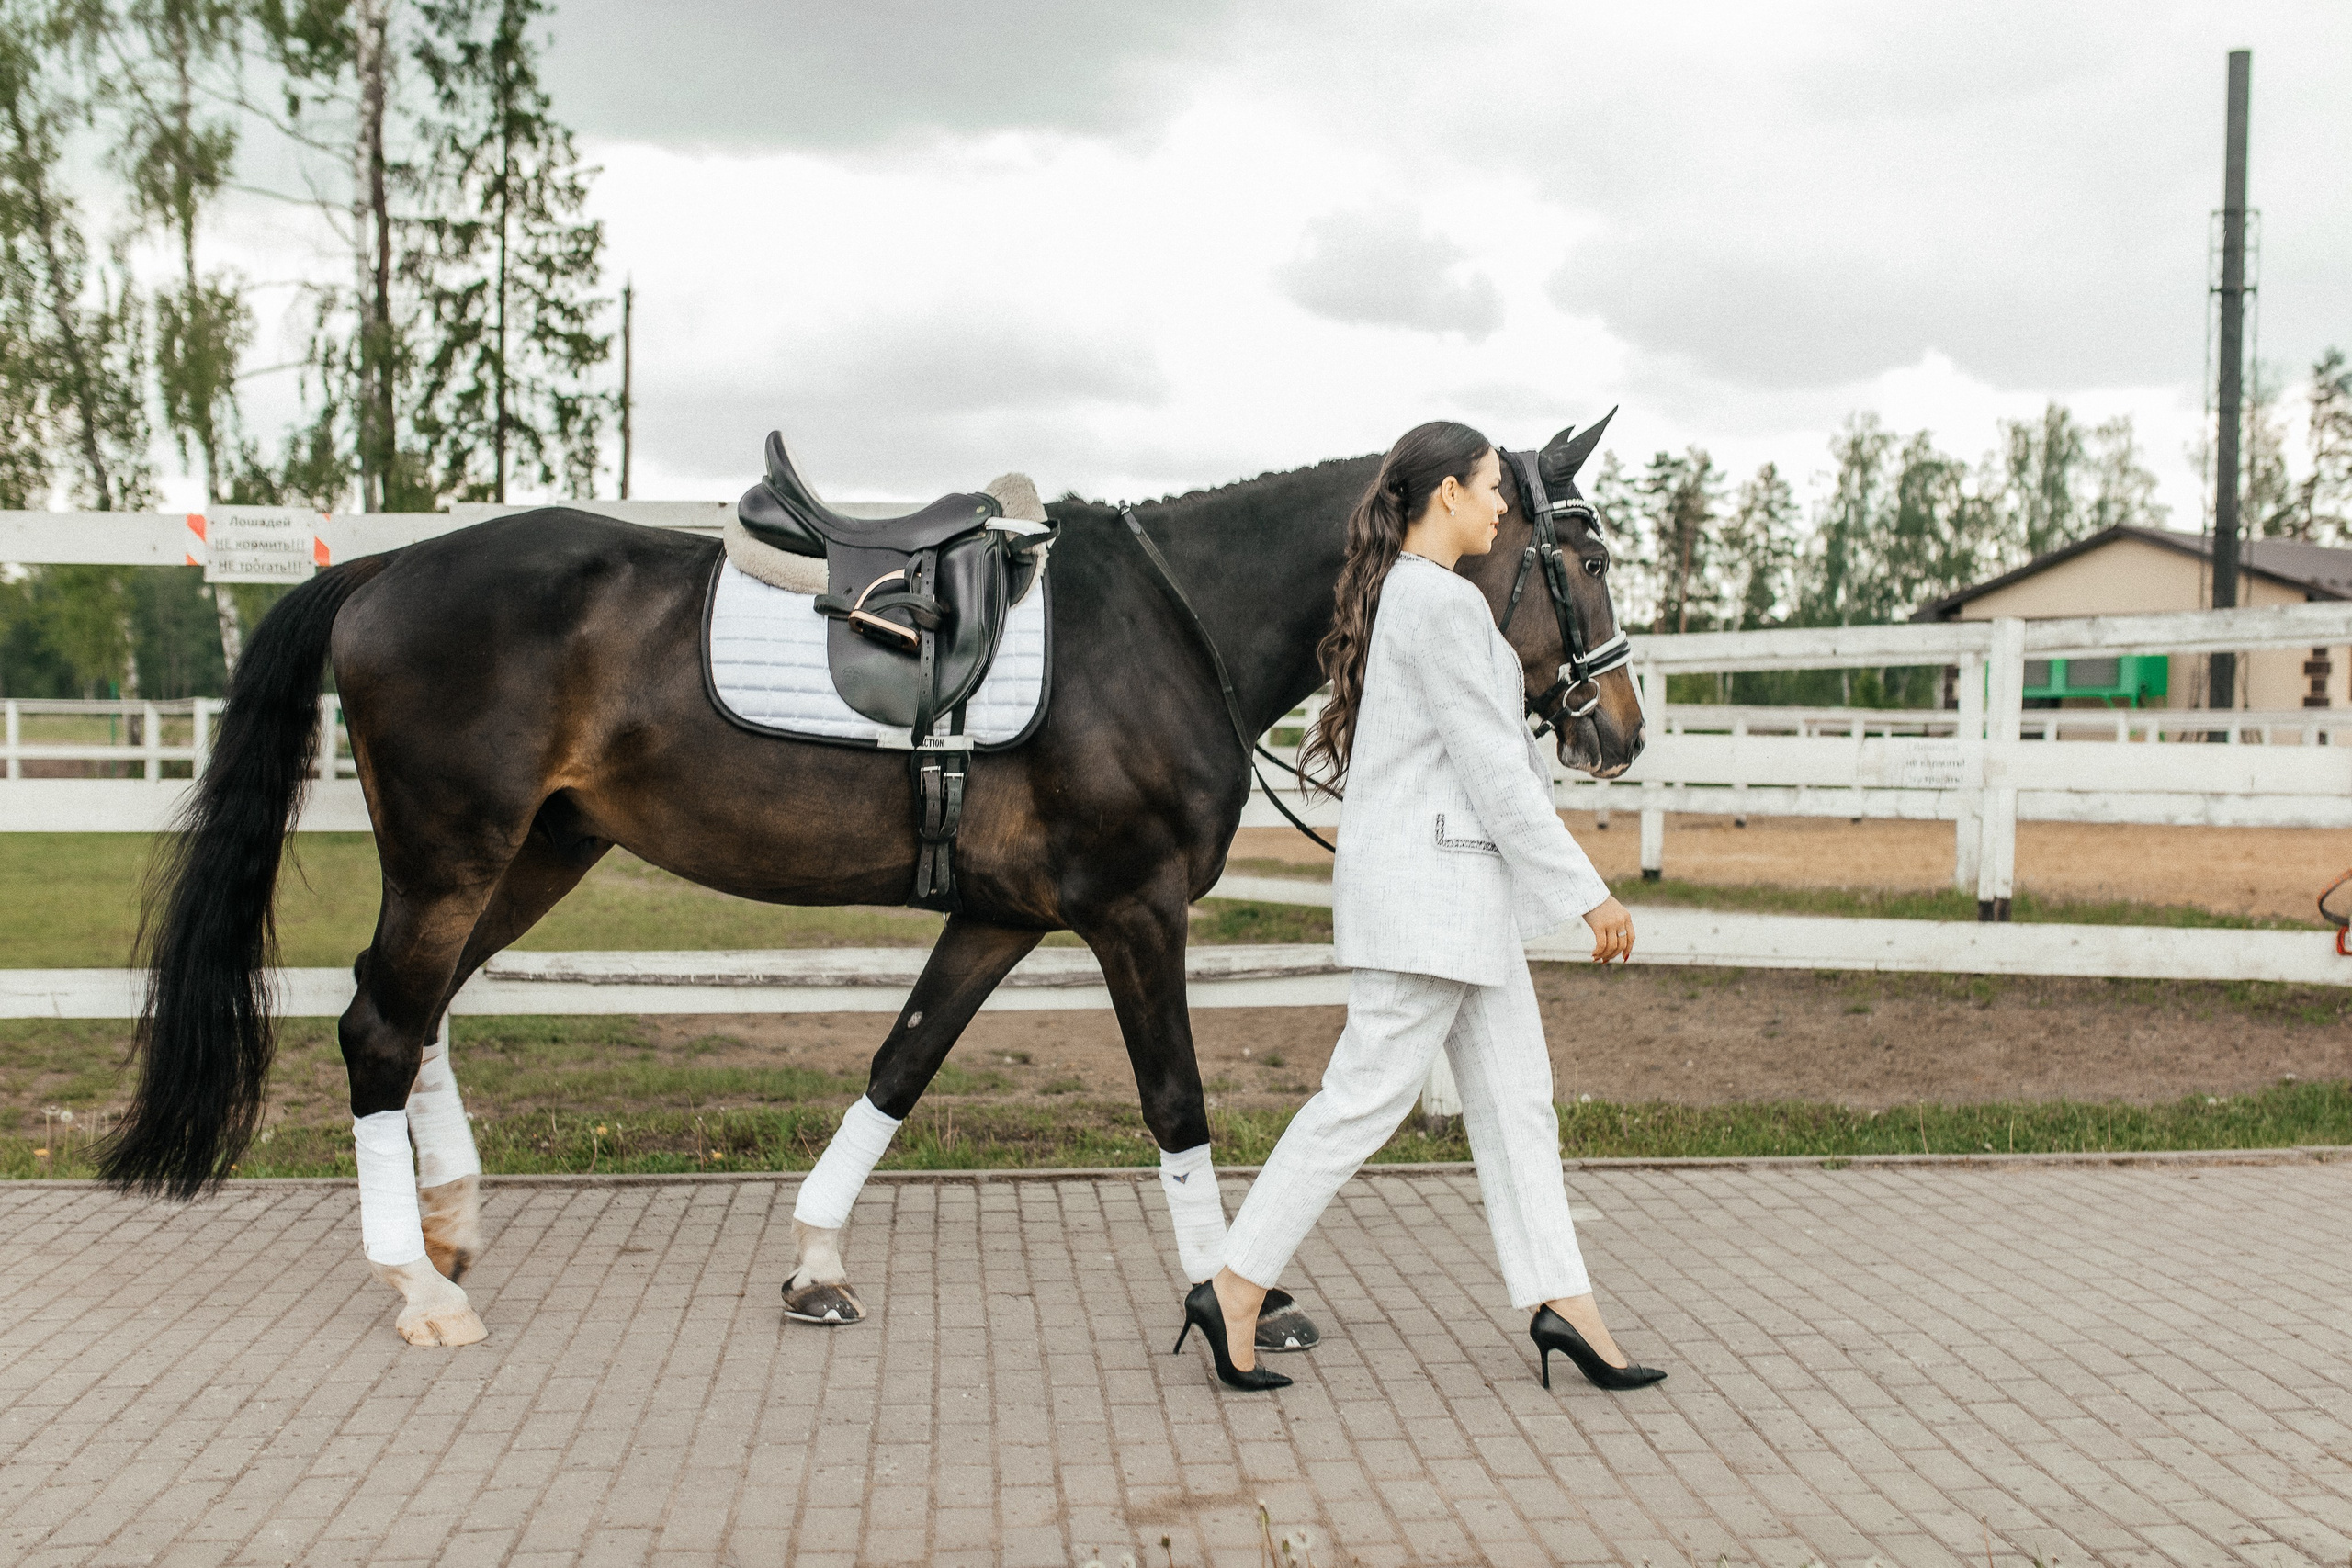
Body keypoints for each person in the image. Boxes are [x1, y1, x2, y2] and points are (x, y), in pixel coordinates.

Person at [1171, 420, 1667, 1393]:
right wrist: (1587, 893)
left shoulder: (1423, 598)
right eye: (1491, 490)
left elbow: (1483, 759)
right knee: (1361, 1101)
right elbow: (1493, 768)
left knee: (1519, 1103)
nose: (1499, 508)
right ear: (1446, 493)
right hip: (1430, 900)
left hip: (1459, 900)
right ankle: (1232, 1286)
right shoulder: (1434, 605)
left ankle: (1563, 1302)